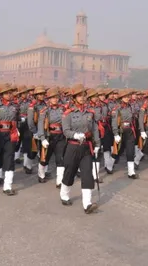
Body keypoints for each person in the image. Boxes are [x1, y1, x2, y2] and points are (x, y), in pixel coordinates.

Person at [60, 84, 100, 214]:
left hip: (86, 147)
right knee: (69, 172)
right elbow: (65, 130)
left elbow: (94, 129)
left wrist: (97, 144)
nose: (82, 98)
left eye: (83, 96)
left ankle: (87, 204)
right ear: (74, 98)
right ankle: (64, 194)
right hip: (73, 146)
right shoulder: (68, 113)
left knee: (87, 174)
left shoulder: (90, 113)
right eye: (79, 96)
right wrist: (75, 135)